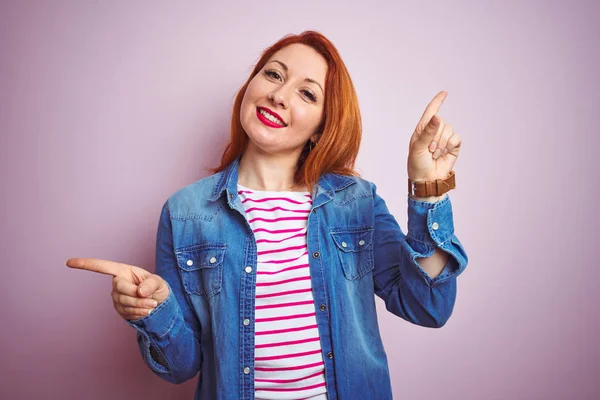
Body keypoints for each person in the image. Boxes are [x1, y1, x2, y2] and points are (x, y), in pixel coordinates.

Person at [66, 30, 468, 400]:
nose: (280, 95)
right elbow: (181, 367)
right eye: (273, 75)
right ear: (250, 87)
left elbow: (428, 306)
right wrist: (153, 309)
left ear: (319, 129)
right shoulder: (185, 212)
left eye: (307, 94)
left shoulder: (355, 203)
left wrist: (428, 188)